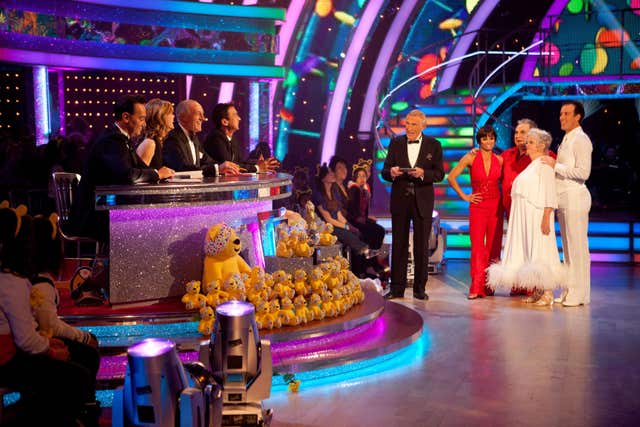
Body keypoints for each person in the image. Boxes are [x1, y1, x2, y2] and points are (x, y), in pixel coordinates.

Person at [0, 206, 96, 426]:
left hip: (14, 351)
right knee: (77, 375)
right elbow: (26, 340)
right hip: (6, 360)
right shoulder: (11, 282)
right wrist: (51, 351)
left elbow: (28, 331)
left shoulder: (11, 278)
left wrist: (48, 343)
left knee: (81, 358)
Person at [72, 95, 175, 243]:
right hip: (94, 216)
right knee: (152, 227)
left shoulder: (121, 138)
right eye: (141, 119)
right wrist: (157, 174)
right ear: (126, 117)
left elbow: (139, 168)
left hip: (104, 210)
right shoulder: (112, 140)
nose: (144, 124)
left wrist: (159, 174)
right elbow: (127, 175)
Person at [487, 128, 564, 306]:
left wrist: (546, 216)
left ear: (541, 145)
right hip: (526, 215)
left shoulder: (544, 163)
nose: (525, 144)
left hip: (537, 214)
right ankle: (538, 290)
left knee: (541, 249)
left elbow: (549, 191)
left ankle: (548, 292)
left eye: (530, 141)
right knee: (530, 250)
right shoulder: (532, 164)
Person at [381, 109, 445, 300]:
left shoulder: (434, 145)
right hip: (400, 199)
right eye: (407, 123)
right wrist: (391, 172)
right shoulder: (396, 142)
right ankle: (396, 288)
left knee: (420, 247)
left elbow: (439, 174)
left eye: (413, 124)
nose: (409, 127)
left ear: (423, 126)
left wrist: (423, 173)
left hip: (422, 201)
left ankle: (419, 289)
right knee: (399, 244)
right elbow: (384, 171)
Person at [541, 100, 592, 307]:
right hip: (564, 198)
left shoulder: (581, 139)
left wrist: (556, 166)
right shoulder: (567, 138)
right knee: (569, 248)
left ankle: (579, 293)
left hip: (575, 197)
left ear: (577, 116)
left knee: (577, 247)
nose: (562, 117)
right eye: (561, 113)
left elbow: (583, 173)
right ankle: (571, 289)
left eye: (566, 113)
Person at [448, 125, 503, 299]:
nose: (488, 141)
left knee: (493, 247)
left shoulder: (500, 160)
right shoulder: (471, 157)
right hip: (478, 206)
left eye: (491, 138)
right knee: (478, 247)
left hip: (496, 206)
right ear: (479, 140)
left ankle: (489, 285)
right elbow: (451, 177)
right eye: (485, 138)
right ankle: (476, 286)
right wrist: (465, 196)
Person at [314, 163, 370, 277]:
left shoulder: (334, 192)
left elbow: (339, 214)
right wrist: (345, 227)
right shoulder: (318, 195)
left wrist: (348, 225)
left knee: (356, 232)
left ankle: (359, 271)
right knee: (346, 233)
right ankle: (365, 251)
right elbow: (328, 219)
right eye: (330, 173)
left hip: (337, 223)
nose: (333, 174)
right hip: (326, 227)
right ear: (323, 178)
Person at [162, 100, 239, 175]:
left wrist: (226, 167)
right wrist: (217, 169)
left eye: (203, 114)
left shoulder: (194, 138)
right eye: (198, 114)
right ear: (183, 117)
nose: (203, 118)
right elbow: (183, 168)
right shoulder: (173, 138)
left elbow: (208, 161)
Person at [203, 102, 279, 173]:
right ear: (224, 122)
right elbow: (231, 166)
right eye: (235, 115)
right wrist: (257, 168)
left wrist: (260, 163)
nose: (239, 118)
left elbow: (241, 161)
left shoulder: (233, 139)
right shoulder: (216, 138)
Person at [136, 98, 174, 169]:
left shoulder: (159, 140)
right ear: (160, 117)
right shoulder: (149, 143)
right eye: (170, 113)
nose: (173, 116)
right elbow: (141, 175)